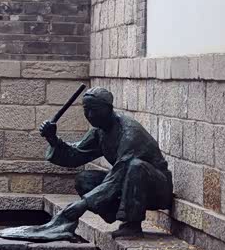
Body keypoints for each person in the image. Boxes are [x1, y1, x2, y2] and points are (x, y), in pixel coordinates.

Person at [38, 86, 173, 238]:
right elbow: (76, 155)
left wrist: (84, 204)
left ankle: (132, 225)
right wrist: (53, 139)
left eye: (94, 110)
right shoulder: (99, 131)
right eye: (86, 110)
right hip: (127, 183)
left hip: (156, 189)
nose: (90, 115)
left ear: (108, 109)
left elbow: (118, 175)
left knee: (136, 166)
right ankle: (117, 214)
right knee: (84, 180)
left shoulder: (130, 133)